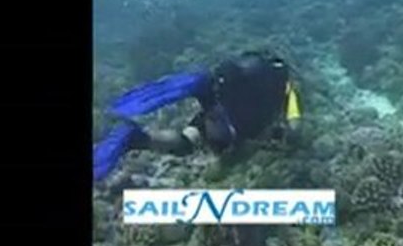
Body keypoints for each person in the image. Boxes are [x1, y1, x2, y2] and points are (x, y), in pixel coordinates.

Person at [93, 50, 302, 181]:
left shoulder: (260, 66)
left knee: (187, 142)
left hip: (224, 88)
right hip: (234, 120)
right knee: (217, 137)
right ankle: (206, 95)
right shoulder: (288, 88)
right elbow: (295, 127)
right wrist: (283, 136)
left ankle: (134, 138)